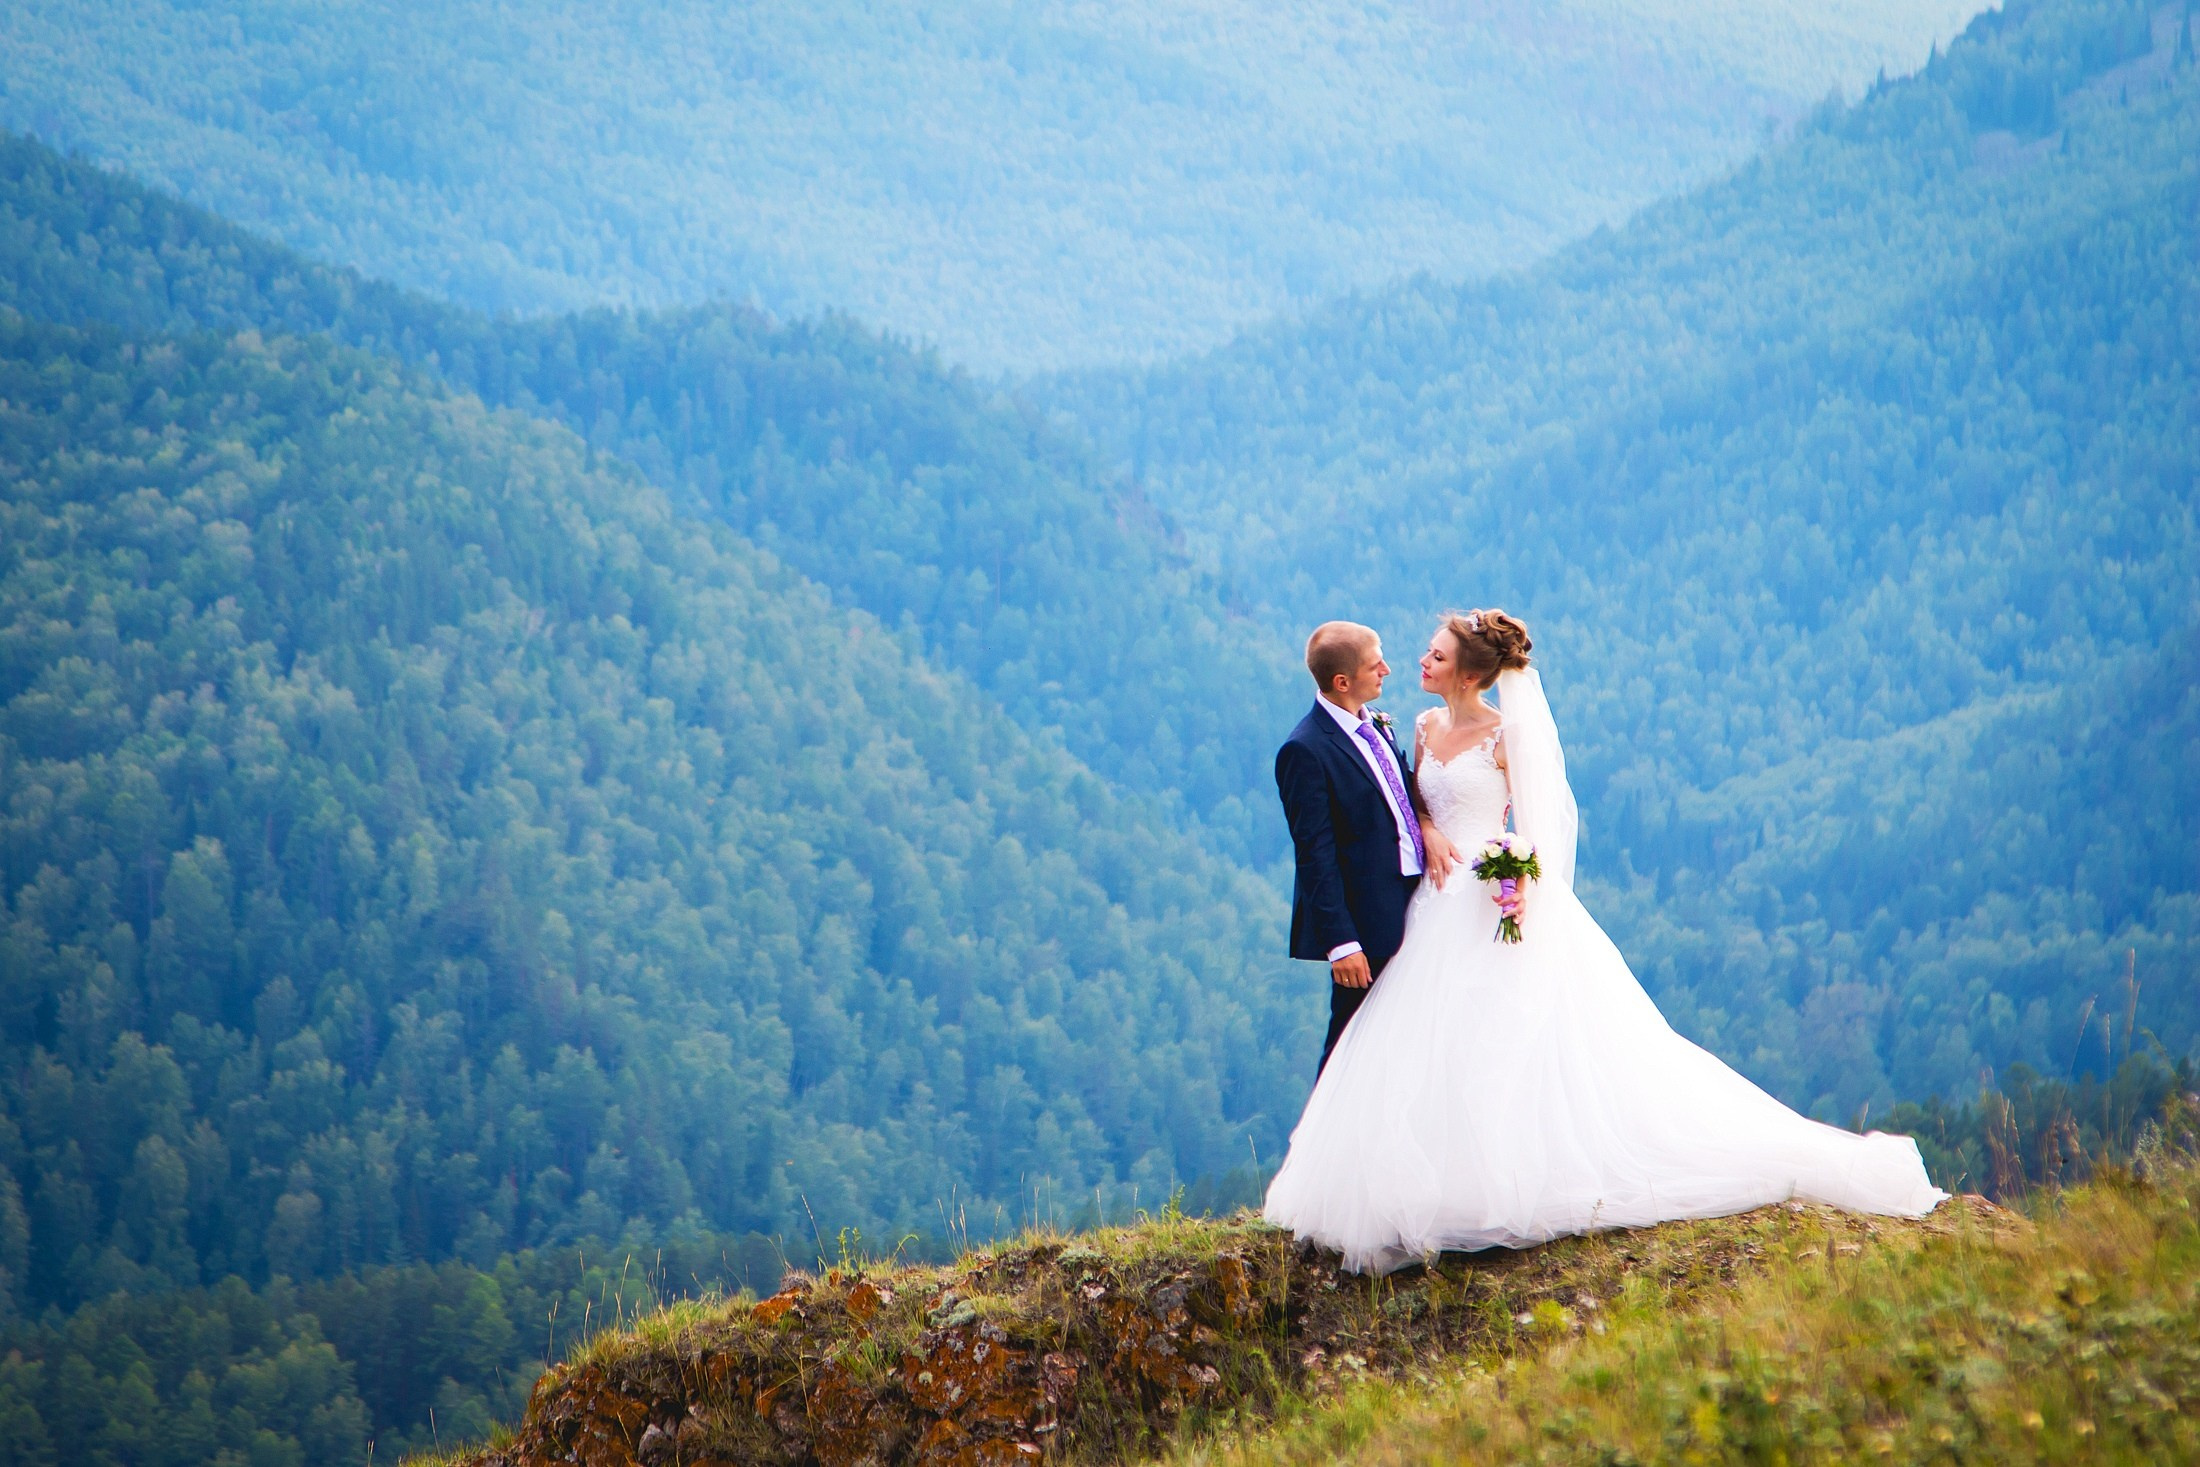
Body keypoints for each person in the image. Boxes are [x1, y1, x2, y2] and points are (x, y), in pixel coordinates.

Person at [1264, 609, 1946, 1273]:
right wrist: (1431, 830)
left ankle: (1507, 1181)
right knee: (1424, 1044)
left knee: (1501, 1041)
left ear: (1471, 675)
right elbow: (1406, 800)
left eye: (1435, 655)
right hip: (1430, 908)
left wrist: (1513, 874)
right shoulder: (1416, 725)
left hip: (1492, 902)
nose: (1418, 661)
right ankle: (1415, 1179)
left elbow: (1536, 828)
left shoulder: (1504, 737)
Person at [1274, 621, 1423, 1074]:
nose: (1387, 669)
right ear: (1342, 682)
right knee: (1349, 1043)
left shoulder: (1376, 725)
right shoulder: (1305, 750)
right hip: (1367, 922)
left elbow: (1403, 802)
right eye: (1375, 662)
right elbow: (1314, 855)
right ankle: (1321, 1145)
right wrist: (1341, 943)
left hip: (1419, 902)